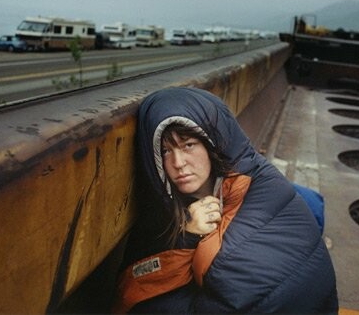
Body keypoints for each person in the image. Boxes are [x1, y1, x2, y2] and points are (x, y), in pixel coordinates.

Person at [113, 87, 337, 313]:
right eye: (166, 151)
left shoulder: (257, 181)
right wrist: (187, 236)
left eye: (188, 145)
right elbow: (133, 288)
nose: (178, 162)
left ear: (211, 143)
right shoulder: (160, 217)